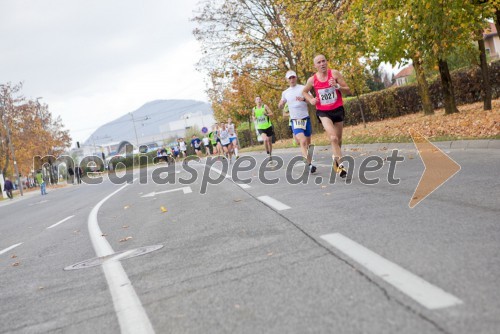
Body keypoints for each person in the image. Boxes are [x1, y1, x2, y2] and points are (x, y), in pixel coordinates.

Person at [303, 54, 351, 178]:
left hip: (337, 109)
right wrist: (310, 99)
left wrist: (337, 86)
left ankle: (336, 161)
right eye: (319, 62)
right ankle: (341, 167)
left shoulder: (334, 74)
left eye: (323, 61)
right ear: (315, 66)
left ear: (327, 62)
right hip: (323, 112)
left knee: (339, 140)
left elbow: (348, 90)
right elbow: (304, 91)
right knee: (333, 138)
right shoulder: (312, 80)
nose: (322, 64)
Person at [279, 70, 316, 173]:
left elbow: (312, 100)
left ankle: (309, 160)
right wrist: (281, 104)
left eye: (293, 77)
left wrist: (304, 100)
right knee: (302, 141)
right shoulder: (285, 93)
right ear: (287, 80)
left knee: (308, 143)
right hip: (295, 120)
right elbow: (281, 103)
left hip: (306, 118)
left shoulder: (303, 88)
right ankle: (309, 165)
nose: (292, 79)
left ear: (296, 77)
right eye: (289, 78)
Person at [252, 96, 274, 160]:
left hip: (268, 126)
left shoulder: (265, 106)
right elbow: (253, 116)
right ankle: (267, 152)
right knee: (265, 139)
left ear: (261, 100)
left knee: (269, 141)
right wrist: (254, 118)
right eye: (257, 99)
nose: (258, 100)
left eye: (259, 99)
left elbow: (272, 114)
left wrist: (267, 114)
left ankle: (270, 154)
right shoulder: (254, 109)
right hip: (260, 127)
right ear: (255, 101)